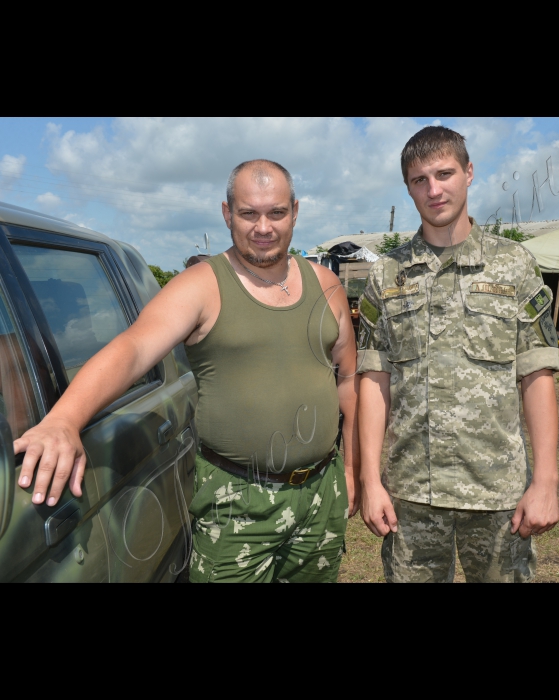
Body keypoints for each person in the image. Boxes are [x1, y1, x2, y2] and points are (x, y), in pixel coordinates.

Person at [14, 159, 360, 583]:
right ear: (227, 212)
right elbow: (134, 348)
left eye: (277, 212)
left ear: (295, 211)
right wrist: (64, 419)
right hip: (236, 501)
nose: (264, 227)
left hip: (321, 493)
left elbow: (347, 381)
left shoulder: (327, 286)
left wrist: (350, 470)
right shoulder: (201, 285)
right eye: (249, 213)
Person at [357, 126, 559, 583]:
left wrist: (545, 482)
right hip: (411, 494)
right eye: (419, 180)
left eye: (444, 173)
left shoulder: (513, 264)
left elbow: (537, 374)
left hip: (496, 493)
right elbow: (374, 381)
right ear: (407, 187)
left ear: (468, 173)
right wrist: (371, 481)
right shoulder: (387, 275)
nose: (433, 189)